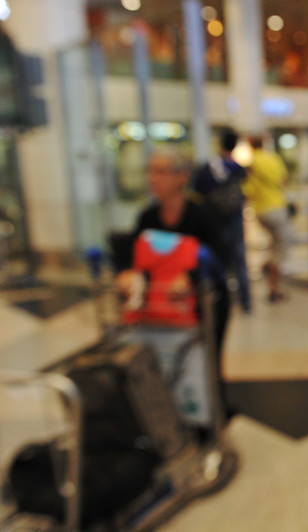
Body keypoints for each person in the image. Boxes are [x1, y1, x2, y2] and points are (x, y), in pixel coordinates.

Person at [114, 146, 232, 413]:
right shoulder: (147, 217)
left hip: (206, 305)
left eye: (161, 171)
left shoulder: (202, 216)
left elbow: (220, 259)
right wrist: (127, 275)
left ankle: (213, 417)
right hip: (164, 309)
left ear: (182, 177)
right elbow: (137, 260)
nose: (152, 178)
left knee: (206, 361)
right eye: (151, 171)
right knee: (169, 364)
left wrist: (190, 277)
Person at [191, 129, 251, 313]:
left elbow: (197, 193)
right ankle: (246, 304)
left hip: (214, 223)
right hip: (234, 220)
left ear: (219, 144)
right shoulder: (238, 168)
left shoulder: (207, 168)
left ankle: (223, 302)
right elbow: (245, 192)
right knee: (240, 262)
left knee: (219, 264)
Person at [243, 133, 292, 302]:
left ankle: (268, 267)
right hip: (277, 208)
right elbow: (283, 180)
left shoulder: (249, 165)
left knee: (275, 245)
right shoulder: (273, 159)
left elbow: (246, 190)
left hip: (260, 211)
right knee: (280, 249)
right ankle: (274, 287)